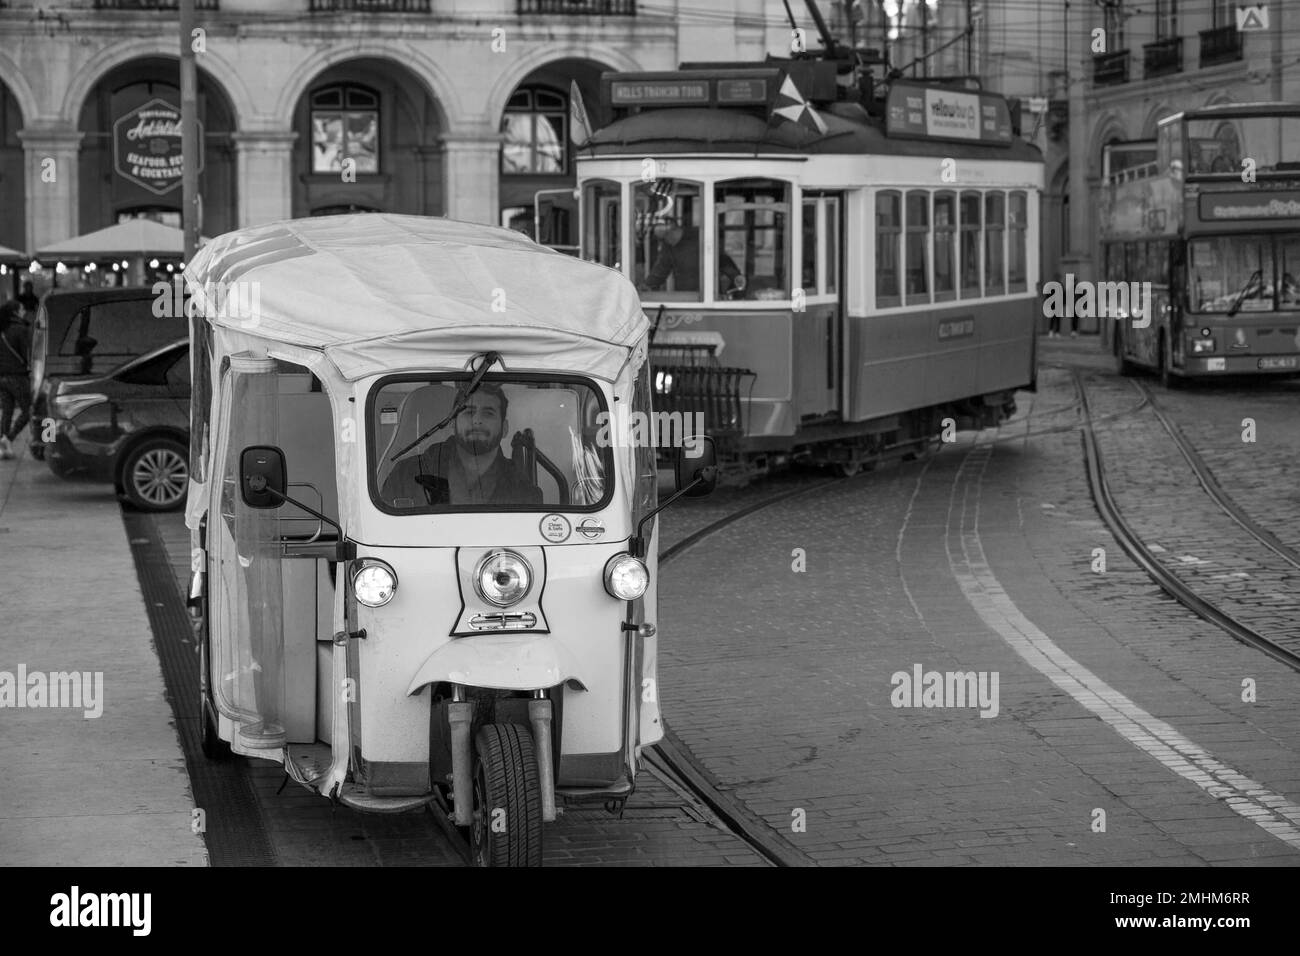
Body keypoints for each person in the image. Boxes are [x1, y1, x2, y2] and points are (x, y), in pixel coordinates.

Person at [382, 382, 542, 507]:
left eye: (488, 413)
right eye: (469, 412)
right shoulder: (405, 476)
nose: (477, 420)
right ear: (452, 423)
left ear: (505, 428)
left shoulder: (524, 492)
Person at [637, 222, 742, 295]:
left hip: (708, 296)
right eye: (661, 239)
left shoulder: (701, 237)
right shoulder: (668, 247)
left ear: (672, 229)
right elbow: (660, 271)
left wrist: (736, 277)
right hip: (685, 298)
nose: (663, 242)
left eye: (664, 238)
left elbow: (722, 261)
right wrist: (647, 285)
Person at [0, 300, 32, 460]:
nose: (24, 311)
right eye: (22, 308)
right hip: (17, 376)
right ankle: (8, 438)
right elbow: (28, 354)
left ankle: (3, 445)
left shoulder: (2, 330)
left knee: (7, 411)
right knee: (29, 410)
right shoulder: (20, 330)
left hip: (2, 377)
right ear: (15, 312)